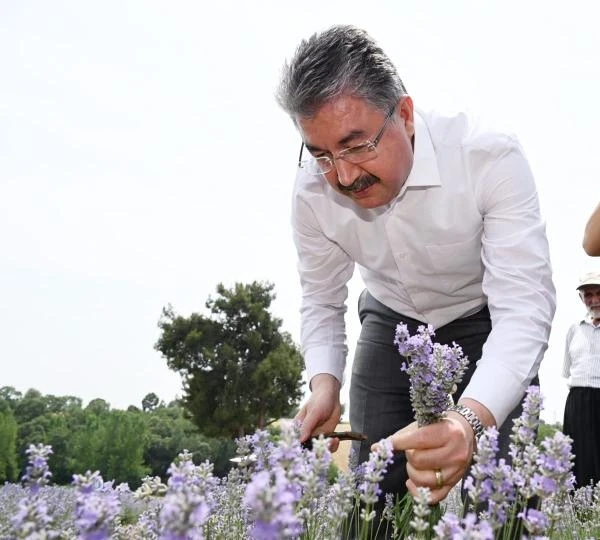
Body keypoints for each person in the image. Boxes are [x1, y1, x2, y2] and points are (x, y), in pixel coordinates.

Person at [275, 24, 555, 512]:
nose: (343, 175)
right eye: (321, 153)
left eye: (358, 144)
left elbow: (524, 308)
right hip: (390, 321)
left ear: (404, 115)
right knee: (373, 495)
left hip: (486, 318)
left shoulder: (488, 157)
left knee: (504, 490)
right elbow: (322, 298)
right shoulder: (311, 192)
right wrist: (325, 382)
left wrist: (468, 420)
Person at [562, 272, 600, 488]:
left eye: (599, 293)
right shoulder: (574, 329)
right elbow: (568, 370)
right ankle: (579, 510)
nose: (594, 300)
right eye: (588, 295)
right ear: (581, 298)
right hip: (578, 399)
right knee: (578, 456)